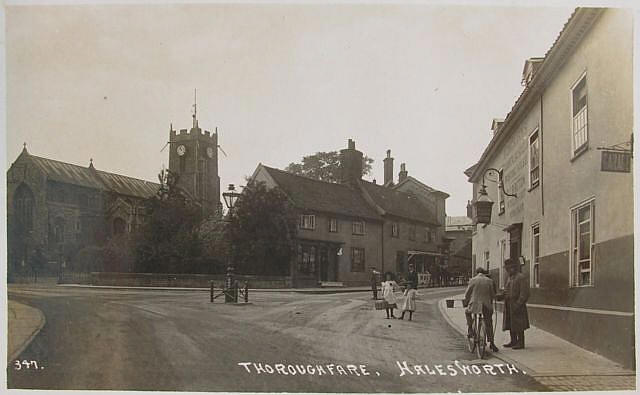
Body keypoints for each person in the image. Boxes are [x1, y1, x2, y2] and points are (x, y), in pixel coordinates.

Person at [464, 267, 499, 352]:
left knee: (467, 312)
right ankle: (492, 343)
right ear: (484, 273)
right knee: (489, 323)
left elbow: (467, 294)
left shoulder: (473, 280)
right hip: (486, 305)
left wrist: (468, 300)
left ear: (477, 273)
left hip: (475, 305)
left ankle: (471, 329)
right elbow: (493, 295)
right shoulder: (489, 281)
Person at [502, 258, 530, 349]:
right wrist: (502, 295)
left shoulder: (521, 277)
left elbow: (525, 293)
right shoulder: (510, 278)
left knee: (519, 324)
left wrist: (518, 304)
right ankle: (513, 341)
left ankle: (521, 343)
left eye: (508, 268)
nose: (507, 270)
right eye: (506, 268)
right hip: (509, 304)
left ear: (513, 268)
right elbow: (507, 290)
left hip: (517, 305)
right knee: (510, 323)